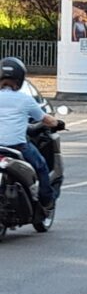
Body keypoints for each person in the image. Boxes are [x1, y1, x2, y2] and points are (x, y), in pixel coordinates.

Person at [0, 57, 61, 209]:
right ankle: (47, 200)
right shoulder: (25, 99)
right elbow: (46, 119)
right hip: (18, 147)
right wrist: (58, 123)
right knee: (41, 166)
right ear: (20, 79)